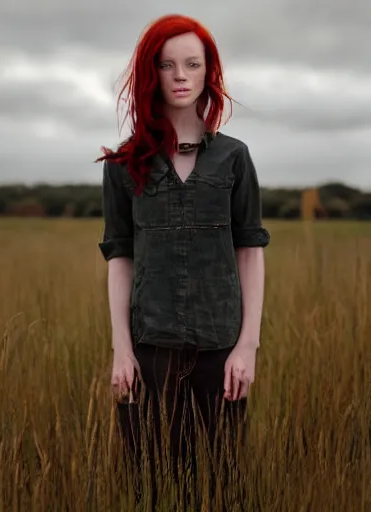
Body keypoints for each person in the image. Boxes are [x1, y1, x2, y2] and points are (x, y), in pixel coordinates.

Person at [97, 13, 270, 510]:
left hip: (220, 351)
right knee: (147, 487)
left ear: (207, 73)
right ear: (150, 73)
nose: (179, 75)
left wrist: (248, 348)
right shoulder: (123, 164)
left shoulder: (234, 159)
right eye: (166, 64)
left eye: (191, 64)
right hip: (149, 352)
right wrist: (121, 350)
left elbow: (249, 250)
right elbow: (120, 257)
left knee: (221, 487)